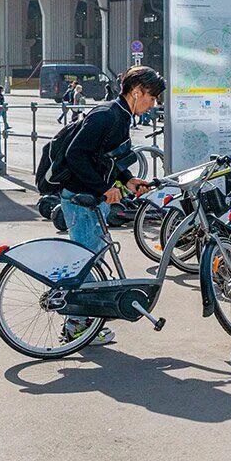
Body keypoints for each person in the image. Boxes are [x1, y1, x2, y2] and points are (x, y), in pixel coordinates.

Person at [56, 65, 164, 346]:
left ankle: (82, 323)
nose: (153, 104)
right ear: (137, 91)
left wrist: (127, 181)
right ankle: (76, 326)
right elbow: (75, 154)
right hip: (81, 199)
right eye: (151, 98)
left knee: (91, 259)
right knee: (86, 261)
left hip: (90, 198)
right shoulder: (107, 116)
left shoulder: (120, 116)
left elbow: (103, 160)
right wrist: (104, 189)